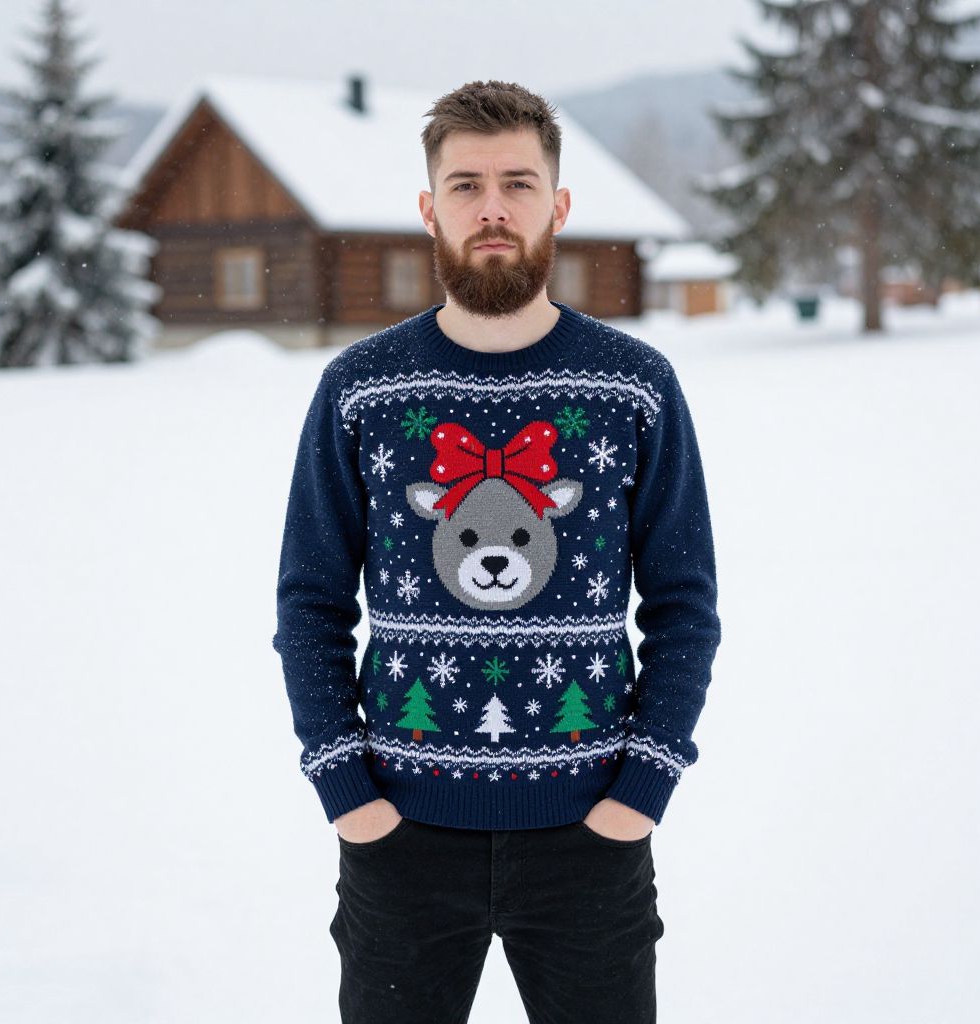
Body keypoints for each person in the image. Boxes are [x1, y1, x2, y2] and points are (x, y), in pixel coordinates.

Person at [272, 79, 722, 1024]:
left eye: (518, 182)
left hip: (589, 841)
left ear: (557, 205)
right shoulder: (363, 389)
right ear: (429, 208)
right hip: (402, 842)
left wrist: (642, 787)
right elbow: (309, 601)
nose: (492, 208)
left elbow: (685, 604)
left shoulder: (633, 386)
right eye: (466, 184)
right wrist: (347, 789)